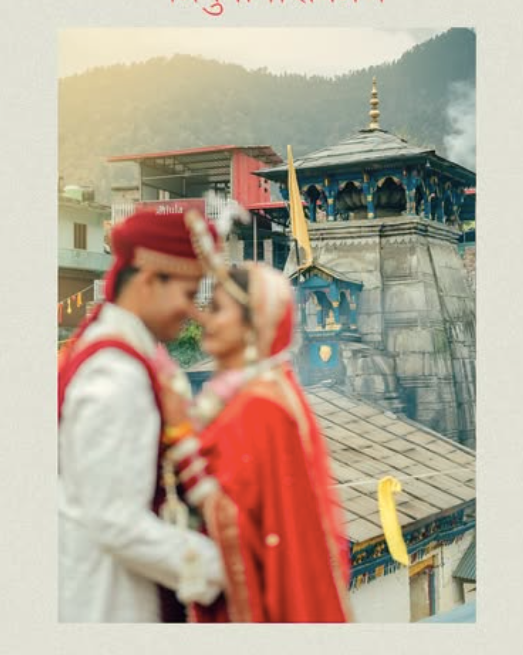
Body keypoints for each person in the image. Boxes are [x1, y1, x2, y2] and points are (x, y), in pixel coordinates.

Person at [161, 258, 353, 622]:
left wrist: (183, 444)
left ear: (254, 325)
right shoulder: (256, 391)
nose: (203, 318)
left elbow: (237, 521)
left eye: (218, 309)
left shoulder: (259, 406)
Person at [58, 207, 225, 623]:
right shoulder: (117, 375)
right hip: (109, 604)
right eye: (189, 295)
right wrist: (225, 567)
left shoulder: (114, 352)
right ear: (150, 280)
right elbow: (116, 521)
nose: (194, 312)